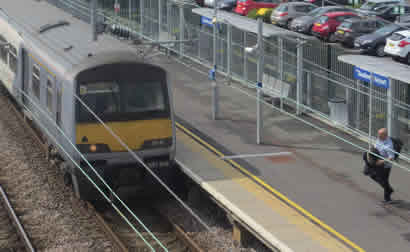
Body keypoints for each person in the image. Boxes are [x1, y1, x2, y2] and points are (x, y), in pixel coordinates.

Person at [373, 128, 395, 203]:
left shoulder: (389, 145)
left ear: (385, 135)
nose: (378, 136)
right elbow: (375, 147)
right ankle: (389, 189)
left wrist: (381, 161)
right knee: (371, 174)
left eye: (380, 134)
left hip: (385, 166)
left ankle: (387, 199)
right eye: (378, 134)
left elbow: (391, 157)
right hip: (377, 162)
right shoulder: (379, 139)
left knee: (384, 180)